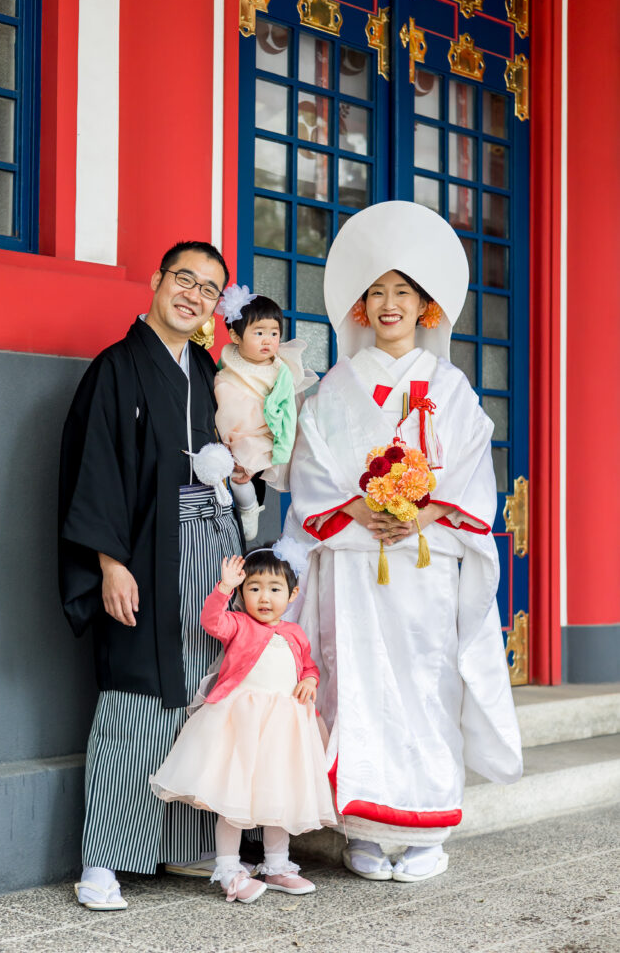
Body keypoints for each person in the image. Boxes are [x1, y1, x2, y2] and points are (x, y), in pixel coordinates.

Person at [284, 202, 523, 884]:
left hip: (424, 564)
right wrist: (361, 505)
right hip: (355, 564)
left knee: (426, 685)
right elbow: (312, 465)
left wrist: (423, 515)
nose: (389, 304)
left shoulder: (450, 387)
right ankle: (362, 828)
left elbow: (473, 469)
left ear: (424, 307)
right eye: (378, 292)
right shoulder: (335, 385)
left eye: (403, 292)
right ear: (360, 307)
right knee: (353, 686)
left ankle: (425, 829)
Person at [59, 241, 259, 910]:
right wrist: (109, 562)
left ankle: (182, 844)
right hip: (141, 553)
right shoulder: (115, 368)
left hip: (205, 551)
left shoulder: (204, 370)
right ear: (156, 281)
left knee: (201, 690)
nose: (195, 295)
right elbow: (95, 470)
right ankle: (103, 860)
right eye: (185, 279)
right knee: (136, 697)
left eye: (209, 289)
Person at [149, 544, 337, 904]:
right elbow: (211, 621)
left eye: (274, 589)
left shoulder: (295, 633)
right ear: (242, 593)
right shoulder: (238, 624)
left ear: (292, 594)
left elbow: (308, 666)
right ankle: (229, 869)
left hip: (285, 730)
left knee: (280, 795)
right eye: (253, 588)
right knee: (234, 797)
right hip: (241, 726)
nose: (264, 597)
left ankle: (278, 865)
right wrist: (223, 588)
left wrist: (310, 681)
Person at [214, 285, 317, 540]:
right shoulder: (228, 358)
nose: (268, 340)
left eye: (274, 333)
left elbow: (288, 410)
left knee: (244, 474)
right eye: (259, 332)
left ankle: (250, 509)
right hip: (225, 428)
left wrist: (282, 449)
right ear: (236, 337)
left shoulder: (281, 370)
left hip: (260, 432)